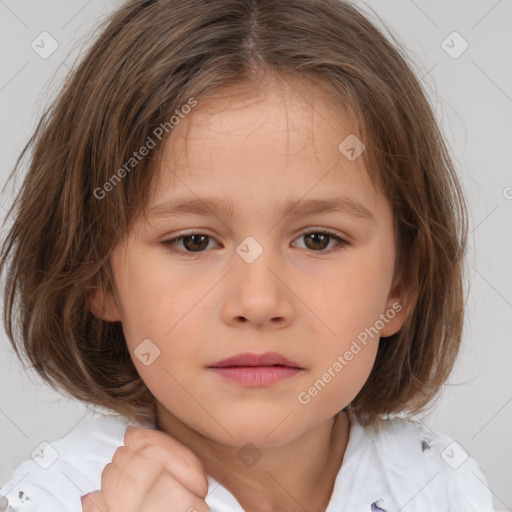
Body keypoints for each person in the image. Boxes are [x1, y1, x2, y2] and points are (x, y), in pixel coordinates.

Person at [0, 0, 496, 511]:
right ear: (96, 275)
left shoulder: (442, 486)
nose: (258, 302)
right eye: (193, 241)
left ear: (401, 282)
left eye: (318, 239)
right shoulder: (53, 496)